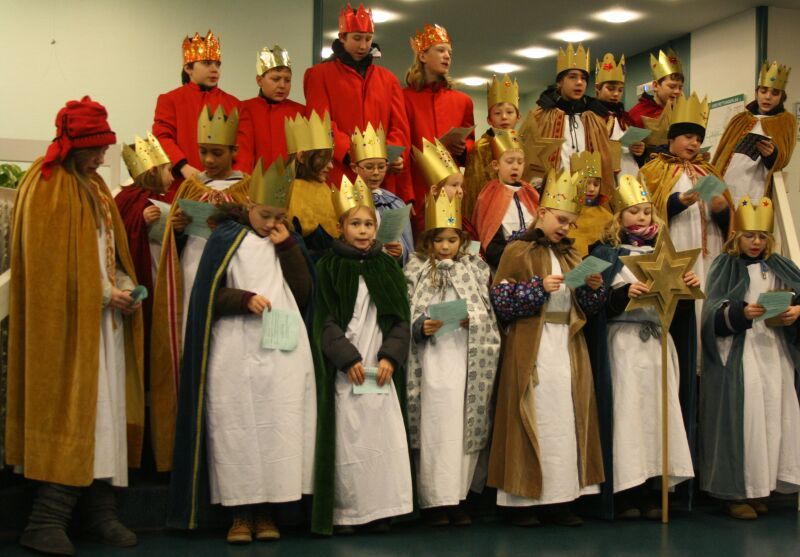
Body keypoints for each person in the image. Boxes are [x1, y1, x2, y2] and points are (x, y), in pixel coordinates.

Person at [7, 96, 144, 555]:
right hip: (66, 327)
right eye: (97, 148)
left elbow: (109, 248)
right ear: (73, 146)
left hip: (102, 325)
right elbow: (46, 265)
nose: (104, 157)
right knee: (74, 411)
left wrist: (122, 283)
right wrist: (104, 292)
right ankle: (45, 520)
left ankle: (99, 514)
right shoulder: (45, 185)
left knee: (104, 414)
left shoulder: (95, 186)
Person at [168, 158, 317, 542]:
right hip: (235, 349)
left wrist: (287, 248)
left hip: (281, 351)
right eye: (266, 215)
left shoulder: (287, 239)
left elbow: (303, 294)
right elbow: (207, 297)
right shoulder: (225, 236)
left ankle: (269, 512)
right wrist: (242, 298)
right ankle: (240, 513)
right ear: (250, 205)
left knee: (278, 426)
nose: (272, 224)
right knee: (236, 428)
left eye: (279, 216)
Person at [488, 168, 605, 527]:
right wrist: (539, 288)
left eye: (570, 224)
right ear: (542, 213)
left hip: (567, 345)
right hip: (531, 344)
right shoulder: (517, 250)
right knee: (534, 416)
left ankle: (563, 498)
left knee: (565, 419)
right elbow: (501, 301)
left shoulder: (572, 255)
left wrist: (593, 287)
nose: (565, 229)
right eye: (561, 220)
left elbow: (589, 308)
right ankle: (525, 500)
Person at [586, 175, 696, 520]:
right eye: (634, 212)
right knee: (628, 414)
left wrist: (686, 289)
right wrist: (620, 295)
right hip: (624, 345)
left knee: (658, 415)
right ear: (619, 217)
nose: (641, 218)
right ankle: (626, 490)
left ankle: (654, 489)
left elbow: (678, 311)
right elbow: (594, 301)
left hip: (657, 344)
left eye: (647, 212)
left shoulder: (666, 254)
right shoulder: (605, 254)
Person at [149, 105, 251, 473]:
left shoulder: (249, 186)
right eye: (203, 152)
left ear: (233, 152)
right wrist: (175, 227)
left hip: (234, 278)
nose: (208, 160)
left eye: (216, 153)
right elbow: (168, 250)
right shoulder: (190, 187)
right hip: (193, 272)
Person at [310, 176, 413, 535]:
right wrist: (348, 358)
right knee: (349, 440)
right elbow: (323, 319)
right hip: (348, 369)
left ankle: (383, 508)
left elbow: (401, 319)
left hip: (380, 367)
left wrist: (390, 357)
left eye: (369, 224)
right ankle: (349, 512)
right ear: (340, 228)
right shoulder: (328, 267)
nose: (364, 230)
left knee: (382, 439)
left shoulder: (387, 267)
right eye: (355, 223)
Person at [405, 188, 501, 526]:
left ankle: (458, 498)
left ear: (461, 240)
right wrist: (421, 326)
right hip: (431, 360)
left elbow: (486, 311)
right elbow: (407, 310)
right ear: (428, 242)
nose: (445, 247)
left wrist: (469, 319)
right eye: (439, 241)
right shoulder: (415, 269)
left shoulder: (474, 268)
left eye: (451, 240)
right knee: (436, 425)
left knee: (463, 425)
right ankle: (434, 500)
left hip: (465, 356)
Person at [701, 195, 800, 519]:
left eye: (761, 236)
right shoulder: (724, 265)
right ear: (737, 236)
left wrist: (795, 311)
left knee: (774, 416)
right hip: (741, 353)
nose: (756, 242)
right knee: (748, 418)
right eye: (749, 236)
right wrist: (741, 312)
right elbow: (712, 312)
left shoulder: (780, 265)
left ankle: (763, 487)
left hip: (774, 350)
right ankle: (738, 491)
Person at [303, 2, 412, 202]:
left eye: (368, 39)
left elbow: (399, 126)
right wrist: (353, 155)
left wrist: (389, 156)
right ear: (342, 37)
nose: (363, 46)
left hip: (381, 175)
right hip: (340, 170)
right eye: (357, 38)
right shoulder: (319, 75)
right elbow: (320, 122)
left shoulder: (388, 79)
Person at [639, 92, 733, 287]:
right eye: (688, 136)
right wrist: (678, 201)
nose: (694, 143)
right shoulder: (653, 169)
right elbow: (646, 211)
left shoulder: (707, 170)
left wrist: (721, 209)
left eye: (698, 139)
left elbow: (728, 219)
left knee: (709, 288)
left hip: (710, 242)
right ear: (672, 138)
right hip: (677, 238)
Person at [403, 23, 475, 233]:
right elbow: (403, 145)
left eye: (449, 53)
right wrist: (407, 195)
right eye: (440, 50)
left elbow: (471, 141)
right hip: (418, 187)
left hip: (451, 189)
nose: (447, 56)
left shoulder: (463, 101)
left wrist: (465, 148)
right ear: (422, 56)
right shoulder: (404, 97)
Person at [519, 43, 616, 199]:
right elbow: (528, 156)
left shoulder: (594, 118)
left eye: (583, 79)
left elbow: (603, 159)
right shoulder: (541, 116)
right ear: (559, 82)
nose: (579, 82)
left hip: (587, 192)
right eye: (572, 77)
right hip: (552, 193)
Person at [152, 30, 240, 198]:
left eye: (217, 64)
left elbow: (241, 145)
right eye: (207, 63)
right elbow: (162, 137)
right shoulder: (170, 99)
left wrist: (234, 182)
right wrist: (184, 167)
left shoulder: (233, 103)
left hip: (226, 187)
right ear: (188, 68)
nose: (214, 69)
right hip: (183, 182)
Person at [712, 61, 796, 203]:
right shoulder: (739, 119)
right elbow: (721, 154)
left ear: (782, 97)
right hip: (725, 187)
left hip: (755, 190)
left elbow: (783, 159)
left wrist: (771, 155)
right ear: (756, 93)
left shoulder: (786, 121)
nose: (768, 97)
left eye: (774, 93)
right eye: (763, 91)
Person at [472, 129, 539, 268]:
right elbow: (488, 237)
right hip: (504, 263)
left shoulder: (531, 193)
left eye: (520, 162)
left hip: (534, 260)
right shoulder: (488, 195)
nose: (515, 166)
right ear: (496, 165)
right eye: (509, 161)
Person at [349, 122, 414, 263]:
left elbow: (409, 249)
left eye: (381, 167)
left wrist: (400, 252)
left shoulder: (395, 203)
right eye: (369, 167)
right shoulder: (346, 200)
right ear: (354, 168)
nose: (376, 173)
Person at [236, 45, 305, 172]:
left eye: (287, 80)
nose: (282, 85)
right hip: (252, 185)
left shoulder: (301, 112)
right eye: (275, 79)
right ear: (259, 80)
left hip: (293, 186)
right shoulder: (244, 109)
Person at [463, 74, 520, 220]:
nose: (504, 117)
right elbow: (474, 186)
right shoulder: (481, 147)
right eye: (498, 113)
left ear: (518, 117)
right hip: (491, 210)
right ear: (489, 119)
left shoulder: (524, 144)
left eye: (509, 112)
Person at [285, 110, 338, 262]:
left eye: (331, 160)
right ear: (301, 157)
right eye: (323, 159)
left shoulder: (324, 188)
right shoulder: (291, 192)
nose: (331, 166)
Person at [412, 137, 479, 241]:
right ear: (434, 190)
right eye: (454, 185)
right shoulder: (425, 222)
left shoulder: (463, 220)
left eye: (461, 186)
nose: (460, 191)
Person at [590, 53, 646, 176]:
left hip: (630, 170)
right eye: (610, 89)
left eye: (620, 90)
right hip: (604, 172)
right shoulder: (591, 116)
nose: (616, 94)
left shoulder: (625, 118)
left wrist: (639, 150)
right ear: (598, 88)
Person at [567, 151, 612, 258]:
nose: (592, 189)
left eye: (596, 184)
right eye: (586, 183)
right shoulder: (567, 213)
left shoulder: (607, 217)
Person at [628, 48, 684, 130]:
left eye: (680, 87)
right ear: (655, 86)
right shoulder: (637, 114)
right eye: (672, 86)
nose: (677, 91)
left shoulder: (680, 112)